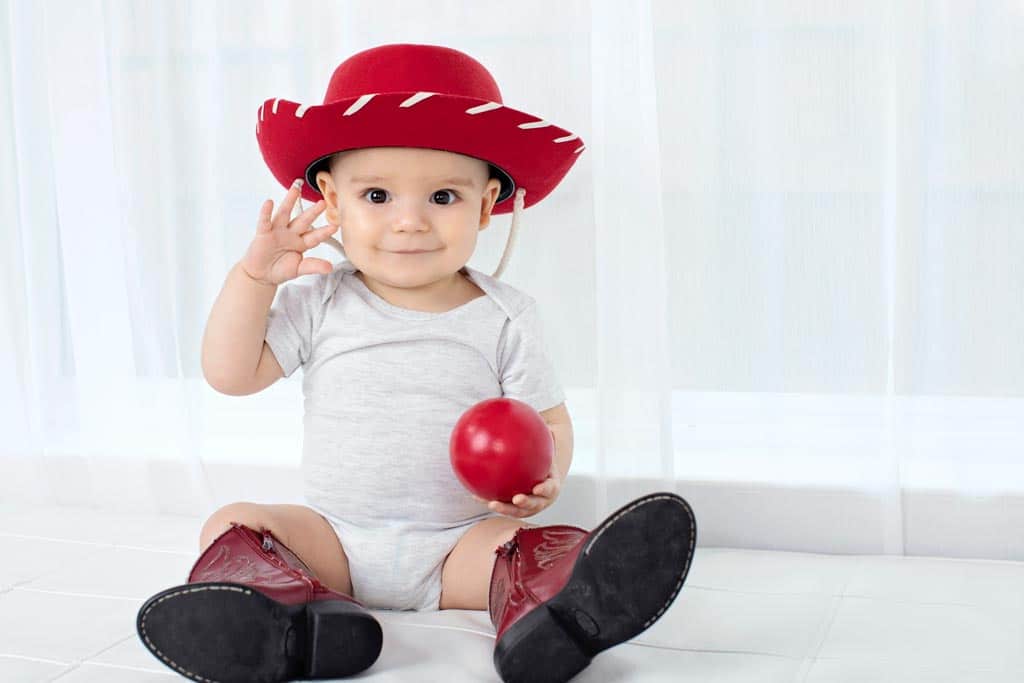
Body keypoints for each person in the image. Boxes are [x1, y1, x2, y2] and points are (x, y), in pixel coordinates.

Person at [136, 43, 697, 683]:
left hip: (459, 544)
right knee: (232, 524)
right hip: (333, 544)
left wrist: (541, 480)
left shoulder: (505, 317)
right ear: (330, 200)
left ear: (487, 205)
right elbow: (231, 375)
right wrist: (254, 280)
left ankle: (552, 612)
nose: (409, 223)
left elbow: (551, 422)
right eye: (376, 194)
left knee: (533, 550)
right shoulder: (319, 301)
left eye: (442, 198)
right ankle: (290, 618)